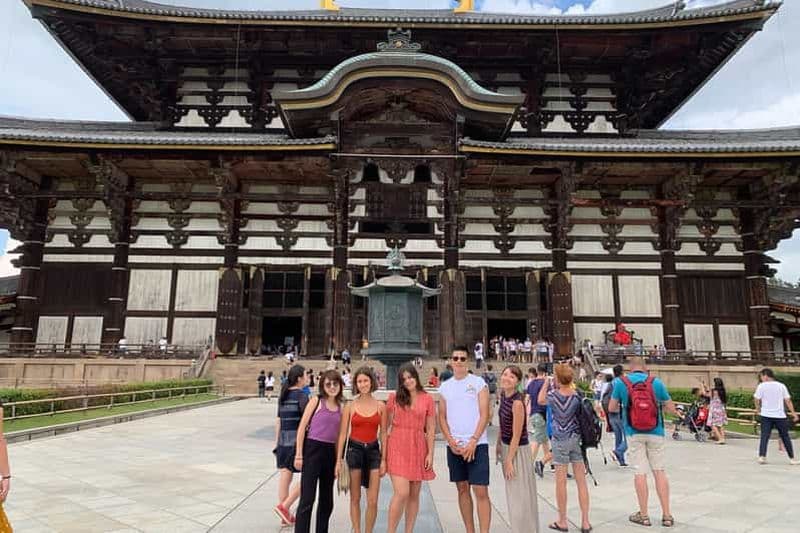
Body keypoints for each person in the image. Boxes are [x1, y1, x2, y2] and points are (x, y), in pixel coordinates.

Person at [608, 357, 678, 528]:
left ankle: (644, 514)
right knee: (659, 471)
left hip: (633, 431)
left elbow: (611, 407)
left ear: (630, 369)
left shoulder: (620, 383)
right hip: (656, 431)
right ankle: (667, 514)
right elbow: (670, 408)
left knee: (640, 472)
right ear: (645, 368)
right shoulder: (656, 383)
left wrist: (626, 407)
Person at [438, 346, 492, 533]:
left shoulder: (478, 383)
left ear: (467, 361)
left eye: (462, 358)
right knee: (462, 489)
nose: (459, 361)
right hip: (455, 446)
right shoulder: (445, 386)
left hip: (477, 444)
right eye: (456, 358)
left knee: (481, 490)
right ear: (451, 361)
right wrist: (450, 441)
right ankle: (470, 530)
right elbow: (442, 417)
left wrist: (473, 440)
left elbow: (485, 414)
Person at [537, 364, 592, 533]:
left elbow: (540, 400)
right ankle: (585, 521)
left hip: (560, 439)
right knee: (581, 482)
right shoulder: (577, 396)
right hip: (576, 439)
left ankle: (562, 520)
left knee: (560, 483)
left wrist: (546, 382)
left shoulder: (553, 395)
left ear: (558, 379)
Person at [385, 364, 436, 533]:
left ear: (416, 376)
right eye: (404, 379)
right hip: (397, 445)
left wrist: (430, 453)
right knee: (402, 493)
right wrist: (383, 455)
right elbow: (385, 428)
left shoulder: (427, 398)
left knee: (414, 495)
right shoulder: (394, 398)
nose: (408, 381)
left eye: (410, 377)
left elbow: (430, 429)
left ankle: (409, 531)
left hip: (418, 447)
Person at [337, 367, 388, 533]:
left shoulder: (381, 406)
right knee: (355, 498)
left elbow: (384, 435)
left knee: (373, 500)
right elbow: (343, 434)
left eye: (366, 380)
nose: (363, 384)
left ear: (371, 381)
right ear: (355, 384)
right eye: (359, 381)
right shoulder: (350, 406)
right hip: (354, 451)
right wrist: (338, 460)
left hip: (373, 451)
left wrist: (384, 460)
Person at [294, 370, 344, 533]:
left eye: (335, 383)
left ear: (340, 385)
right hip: (312, 450)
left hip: (329, 453)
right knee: (307, 499)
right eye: (328, 384)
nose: (332, 387)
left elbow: (338, 437)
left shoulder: (340, 407)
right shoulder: (316, 401)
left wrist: (338, 461)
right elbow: (302, 428)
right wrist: (299, 454)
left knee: (326, 500)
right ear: (323, 385)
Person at [496, 365, 539, 533]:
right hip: (507, 447)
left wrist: (509, 460)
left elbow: (517, 433)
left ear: (518, 382)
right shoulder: (504, 396)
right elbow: (502, 423)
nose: (507, 378)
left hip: (518, 452)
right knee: (513, 495)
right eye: (505, 374)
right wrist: (499, 444)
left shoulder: (517, 402)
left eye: (512, 377)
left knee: (521, 496)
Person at [274, 365, 308, 526]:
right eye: (306, 375)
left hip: (283, 442)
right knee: (308, 475)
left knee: (285, 478)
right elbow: (307, 421)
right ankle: (284, 507)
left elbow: (278, 420)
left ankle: (284, 516)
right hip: (297, 444)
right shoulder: (302, 396)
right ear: (300, 378)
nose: (308, 377)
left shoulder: (283, 395)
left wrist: (277, 444)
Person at [754, 368, 799, 465]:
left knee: (764, 436)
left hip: (766, 415)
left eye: (761, 376)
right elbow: (788, 401)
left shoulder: (761, 386)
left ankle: (762, 456)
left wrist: (758, 410)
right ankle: (792, 458)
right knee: (785, 436)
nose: (761, 379)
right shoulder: (781, 386)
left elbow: (756, 399)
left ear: (765, 375)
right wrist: (794, 413)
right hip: (780, 415)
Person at [526, 363, 552, 478]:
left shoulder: (531, 383)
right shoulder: (546, 383)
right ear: (546, 372)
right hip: (542, 413)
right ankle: (529, 464)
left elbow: (528, 397)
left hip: (533, 412)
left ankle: (551, 463)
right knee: (537, 439)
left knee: (544, 439)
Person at [603, 367, 627, 467]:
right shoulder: (621, 383)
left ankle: (621, 459)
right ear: (621, 372)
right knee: (628, 436)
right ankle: (618, 451)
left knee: (618, 436)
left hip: (610, 411)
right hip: (619, 411)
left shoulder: (611, 383)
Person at [703, 377, 728, 445]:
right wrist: (706, 387)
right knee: (721, 425)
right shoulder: (723, 391)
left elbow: (706, 394)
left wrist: (703, 387)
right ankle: (723, 438)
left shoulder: (713, 391)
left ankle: (720, 438)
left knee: (713, 425)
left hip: (714, 410)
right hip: (721, 409)